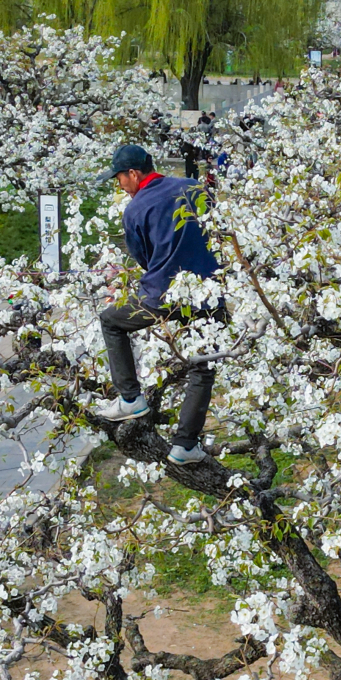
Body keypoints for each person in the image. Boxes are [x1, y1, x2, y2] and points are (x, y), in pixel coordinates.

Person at [92, 143, 223, 466]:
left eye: (120, 177)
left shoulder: (135, 210)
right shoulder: (193, 187)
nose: (119, 185)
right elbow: (217, 229)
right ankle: (184, 445)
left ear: (134, 174)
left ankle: (131, 398)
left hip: (162, 295)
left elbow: (143, 258)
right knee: (202, 367)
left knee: (111, 320)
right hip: (208, 293)